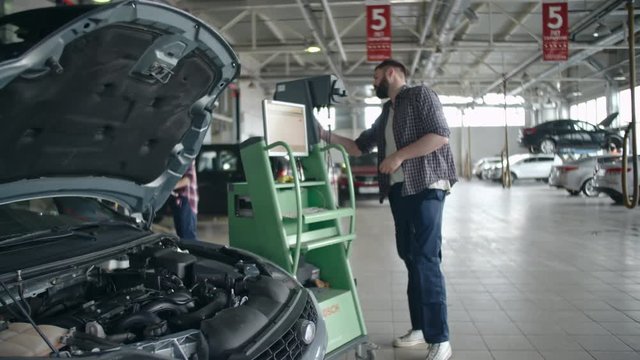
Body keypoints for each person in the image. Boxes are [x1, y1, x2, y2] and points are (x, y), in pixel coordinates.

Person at [316, 59, 457, 360]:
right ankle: (420, 328)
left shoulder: (421, 95)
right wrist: (325, 135)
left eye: (376, 76)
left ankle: (440, 338)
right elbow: (357, 147)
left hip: (427, 186)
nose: (374, 81)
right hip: (400, 191)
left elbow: (439, 135)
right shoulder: (386, 112)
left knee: (425, 258)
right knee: (410, 257)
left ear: (391, 73)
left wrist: (398, 157)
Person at [170, 161, 199, 240]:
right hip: (178, 200)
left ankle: (193, 252)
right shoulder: (176, 161)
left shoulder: (187, 159)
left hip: (187, 200)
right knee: (181, 235)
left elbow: (187, 179)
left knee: (188, 236)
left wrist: (169, 187)